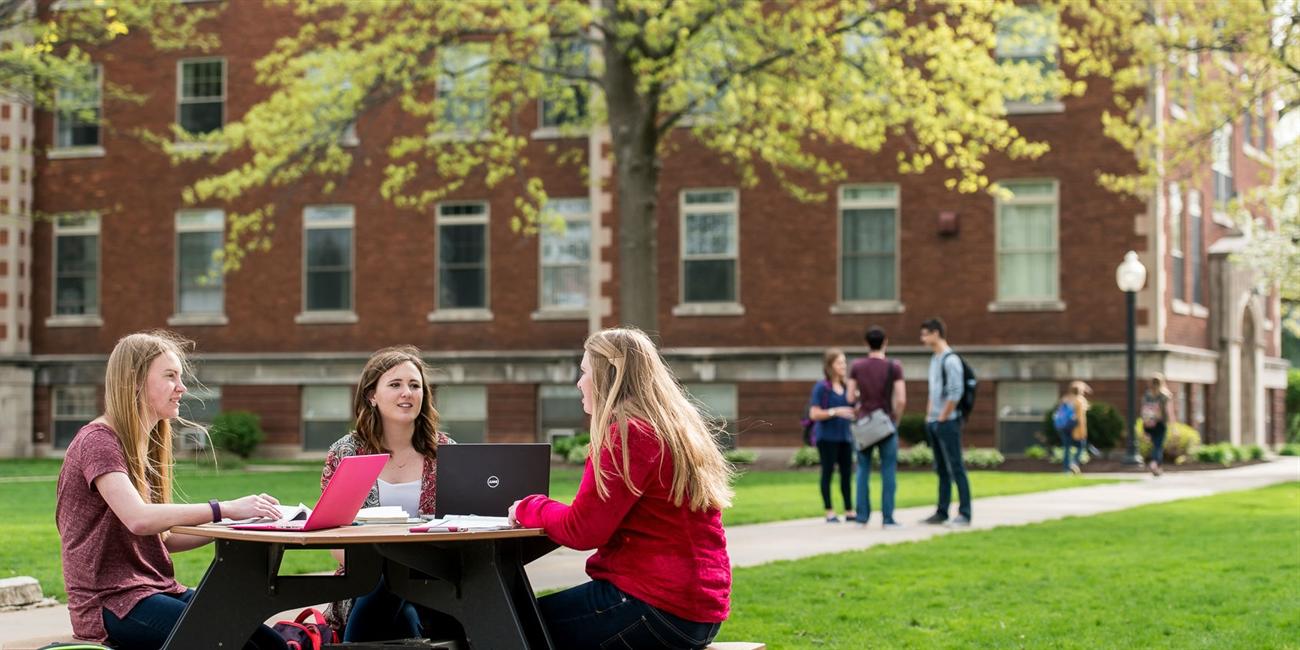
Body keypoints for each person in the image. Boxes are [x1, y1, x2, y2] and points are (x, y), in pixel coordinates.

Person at [55, 331, 288, 650]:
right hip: (112, 603)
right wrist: (225, 509)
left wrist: (239, 525)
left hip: (158, 590)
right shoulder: (99, 441)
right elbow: (138, 519)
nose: (182, 388)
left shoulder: (144, 444)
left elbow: (163, 538)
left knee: (270, 643)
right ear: (135, 381)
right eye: (170, 376)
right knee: (232, 643)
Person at [507, 327, 732, 650]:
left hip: (655, 606)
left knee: (509, 627)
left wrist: (528, 507)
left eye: (584, 372)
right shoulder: (676, 429)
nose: (579, 383)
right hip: (700, 612)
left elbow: (582, 530)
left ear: (606, 377)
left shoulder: (628, 435)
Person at [321, 345, 458, 641]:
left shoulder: (445, 451)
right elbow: (331, 534)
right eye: (395, 385)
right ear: (372, 395)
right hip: (364, 580)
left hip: (432, 579)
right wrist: (385, 571)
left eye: (414, 385)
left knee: (408, 601)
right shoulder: (347, 452)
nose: (406, 393)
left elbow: (462, 523)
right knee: (394, 599)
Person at [847, 326, 905, 528]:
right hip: (885, 424)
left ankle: (862, 517)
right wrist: (894, 419)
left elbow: (849, 397)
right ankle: (888, 519)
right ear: (885, 342)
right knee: (888, 471)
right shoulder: (894, 366)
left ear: (866, 344)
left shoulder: (857, 366)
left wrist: (859, 407)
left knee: (862, 470)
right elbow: (901, 399)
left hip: (864, 424)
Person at [920, 317, 972, 527]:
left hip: (948, 422)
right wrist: (929, 416)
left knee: (956, 467)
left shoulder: (951, 360)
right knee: (941, 468)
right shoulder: (935, 359)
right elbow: (934, 392)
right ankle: (942, 511)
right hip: (935, 421)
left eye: (925, 334)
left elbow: (955, 392)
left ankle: (965, 513)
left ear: (936, 333)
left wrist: (942, 417)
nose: (922, 338)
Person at [810, 348, 858, 523]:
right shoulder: (822, 387)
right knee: (827, 474)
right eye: (839, 362)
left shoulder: (847, 387)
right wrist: (835, 411)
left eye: (844, 362)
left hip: (846, 438)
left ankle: (849, 510)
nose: (843, 366)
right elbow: (813, 414)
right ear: (830, 366)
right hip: (827, 438)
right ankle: (829, 511)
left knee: (847, 475)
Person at [1141, 373, 1178, 476]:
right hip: (1160, 424)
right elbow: (1170, 412)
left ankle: (1157, 469)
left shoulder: (1147, 394)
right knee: (1158, 446)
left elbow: (1143, 411)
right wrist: (1174, 427)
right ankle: (1154, 463)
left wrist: (1144, 427)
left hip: (1148, 423)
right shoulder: (1165, 396)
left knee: (1155, 445)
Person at [1055, 381, 1091, 474]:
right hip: (1076, 427)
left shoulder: (1065, 399)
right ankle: (1073, 463)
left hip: (1064, 427)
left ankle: (1066, 469)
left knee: (1067, 448)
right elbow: (1080, 417)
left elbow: (1059, 412)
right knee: (1081, 445)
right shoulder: (1080, 400)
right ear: (1080, 391)